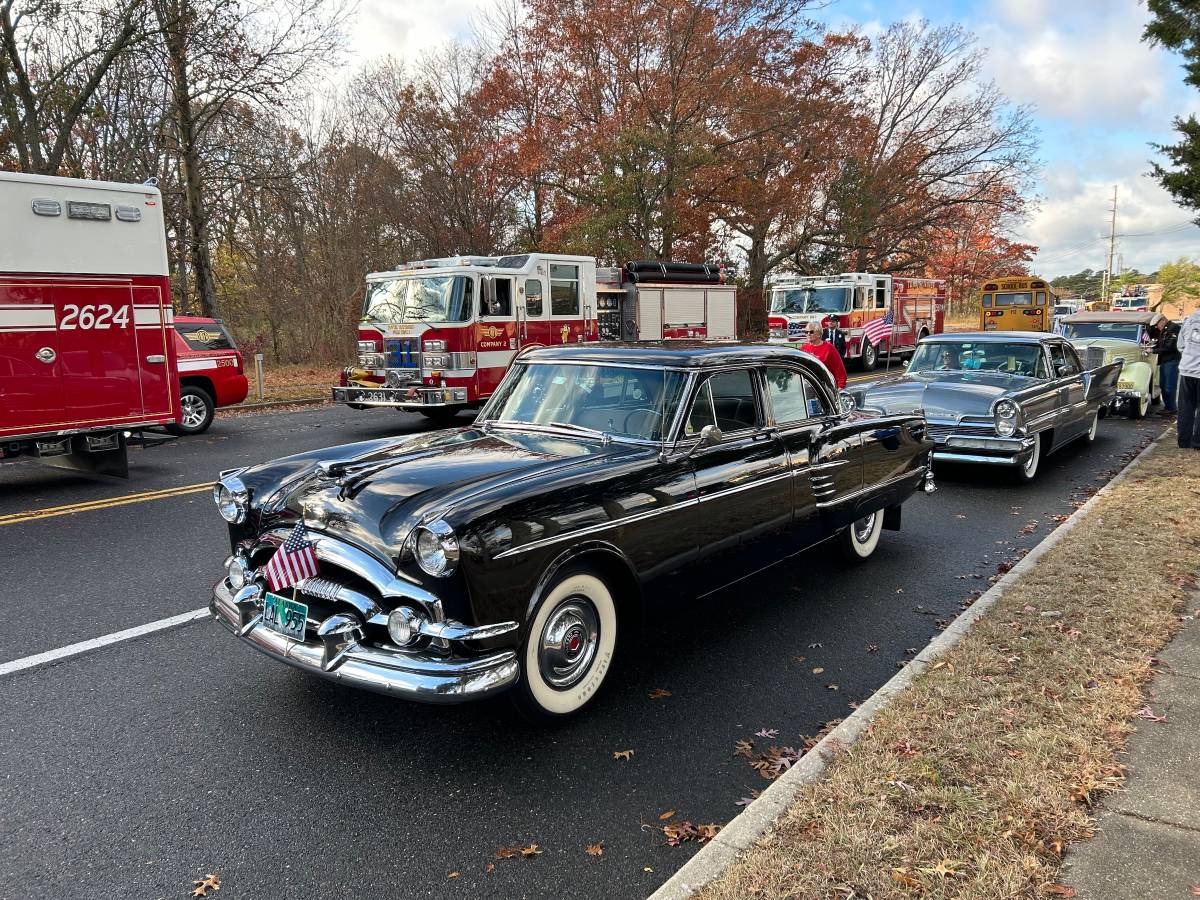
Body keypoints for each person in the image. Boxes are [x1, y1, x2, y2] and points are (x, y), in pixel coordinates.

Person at [1176, 307, 1200, 449]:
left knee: (1186, 407)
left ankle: (1183, 441)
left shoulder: (1189, 320)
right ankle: (1198, 442)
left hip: (1187, 369)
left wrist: (1189, 356)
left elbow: (1181, 345)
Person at [800, 322, 847, 388]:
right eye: (806, 332)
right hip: (808, 387)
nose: (808, 334)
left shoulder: (829, 348)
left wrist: (840, 388)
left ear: (819, 334)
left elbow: (840, 370)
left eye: (811, 332)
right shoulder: (803, 348)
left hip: (825, 387)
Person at [1155, 318, 1181, 415]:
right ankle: (1168, 407)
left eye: (1157, 325)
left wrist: (1154, 351)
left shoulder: (1173, 329)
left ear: (1162, 321)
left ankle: (1171, 408)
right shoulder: (1167, 329)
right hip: (1166, 360)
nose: (1157, 327)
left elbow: (1170, 347)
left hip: (1171, 360)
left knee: (1169, 385)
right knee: (1163, 384)